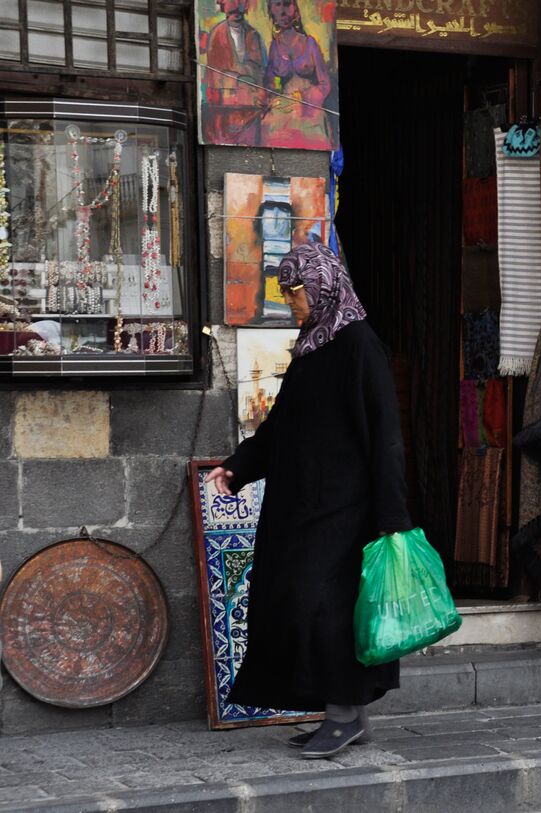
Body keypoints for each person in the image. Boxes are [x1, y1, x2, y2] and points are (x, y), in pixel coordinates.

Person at [205, 239, 410, 759]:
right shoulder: (312, 347)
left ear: (322, 286)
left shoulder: (360, 345)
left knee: (325, 610)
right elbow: (280, 428)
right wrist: (238, 467)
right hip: (300, 507)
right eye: (285, 292)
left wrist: (392, 517)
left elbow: (386, 436)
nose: (290, 301)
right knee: (298, 602)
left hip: (347, 510)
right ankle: (349, 716)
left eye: (295, 291)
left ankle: (342, 716)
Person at [262, 0, 334, 149]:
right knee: (267, 125)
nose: (283, 12)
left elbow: (325, 84)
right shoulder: (274, 47)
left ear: (295, 10)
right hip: (284, 108)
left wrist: (305, 97)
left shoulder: (310, 43)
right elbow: (270, 85)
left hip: (310, 108)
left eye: (287, 4)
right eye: (277, 5)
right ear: (271, 12)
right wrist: (272, 98)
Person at [200, 0, 266, 146]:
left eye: (240, 9)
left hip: (249, 102)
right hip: (225, 103)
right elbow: (214, 71)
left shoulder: (253, 34)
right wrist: (239, 75)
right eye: (232, 10)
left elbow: (259, 69)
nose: (236, 13)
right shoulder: (217, 33)